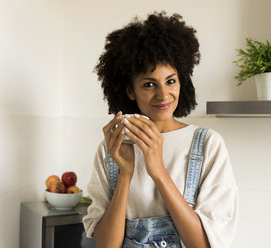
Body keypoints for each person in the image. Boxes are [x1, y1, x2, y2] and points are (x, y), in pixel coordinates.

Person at [83, 12, 239, 248]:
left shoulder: (208, 145)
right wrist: (124, 175)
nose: (163, 95)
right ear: (130, 91)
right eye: (148, 84)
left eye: (170, 81)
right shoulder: (111, 150)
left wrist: (157, 170)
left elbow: (204, 245)